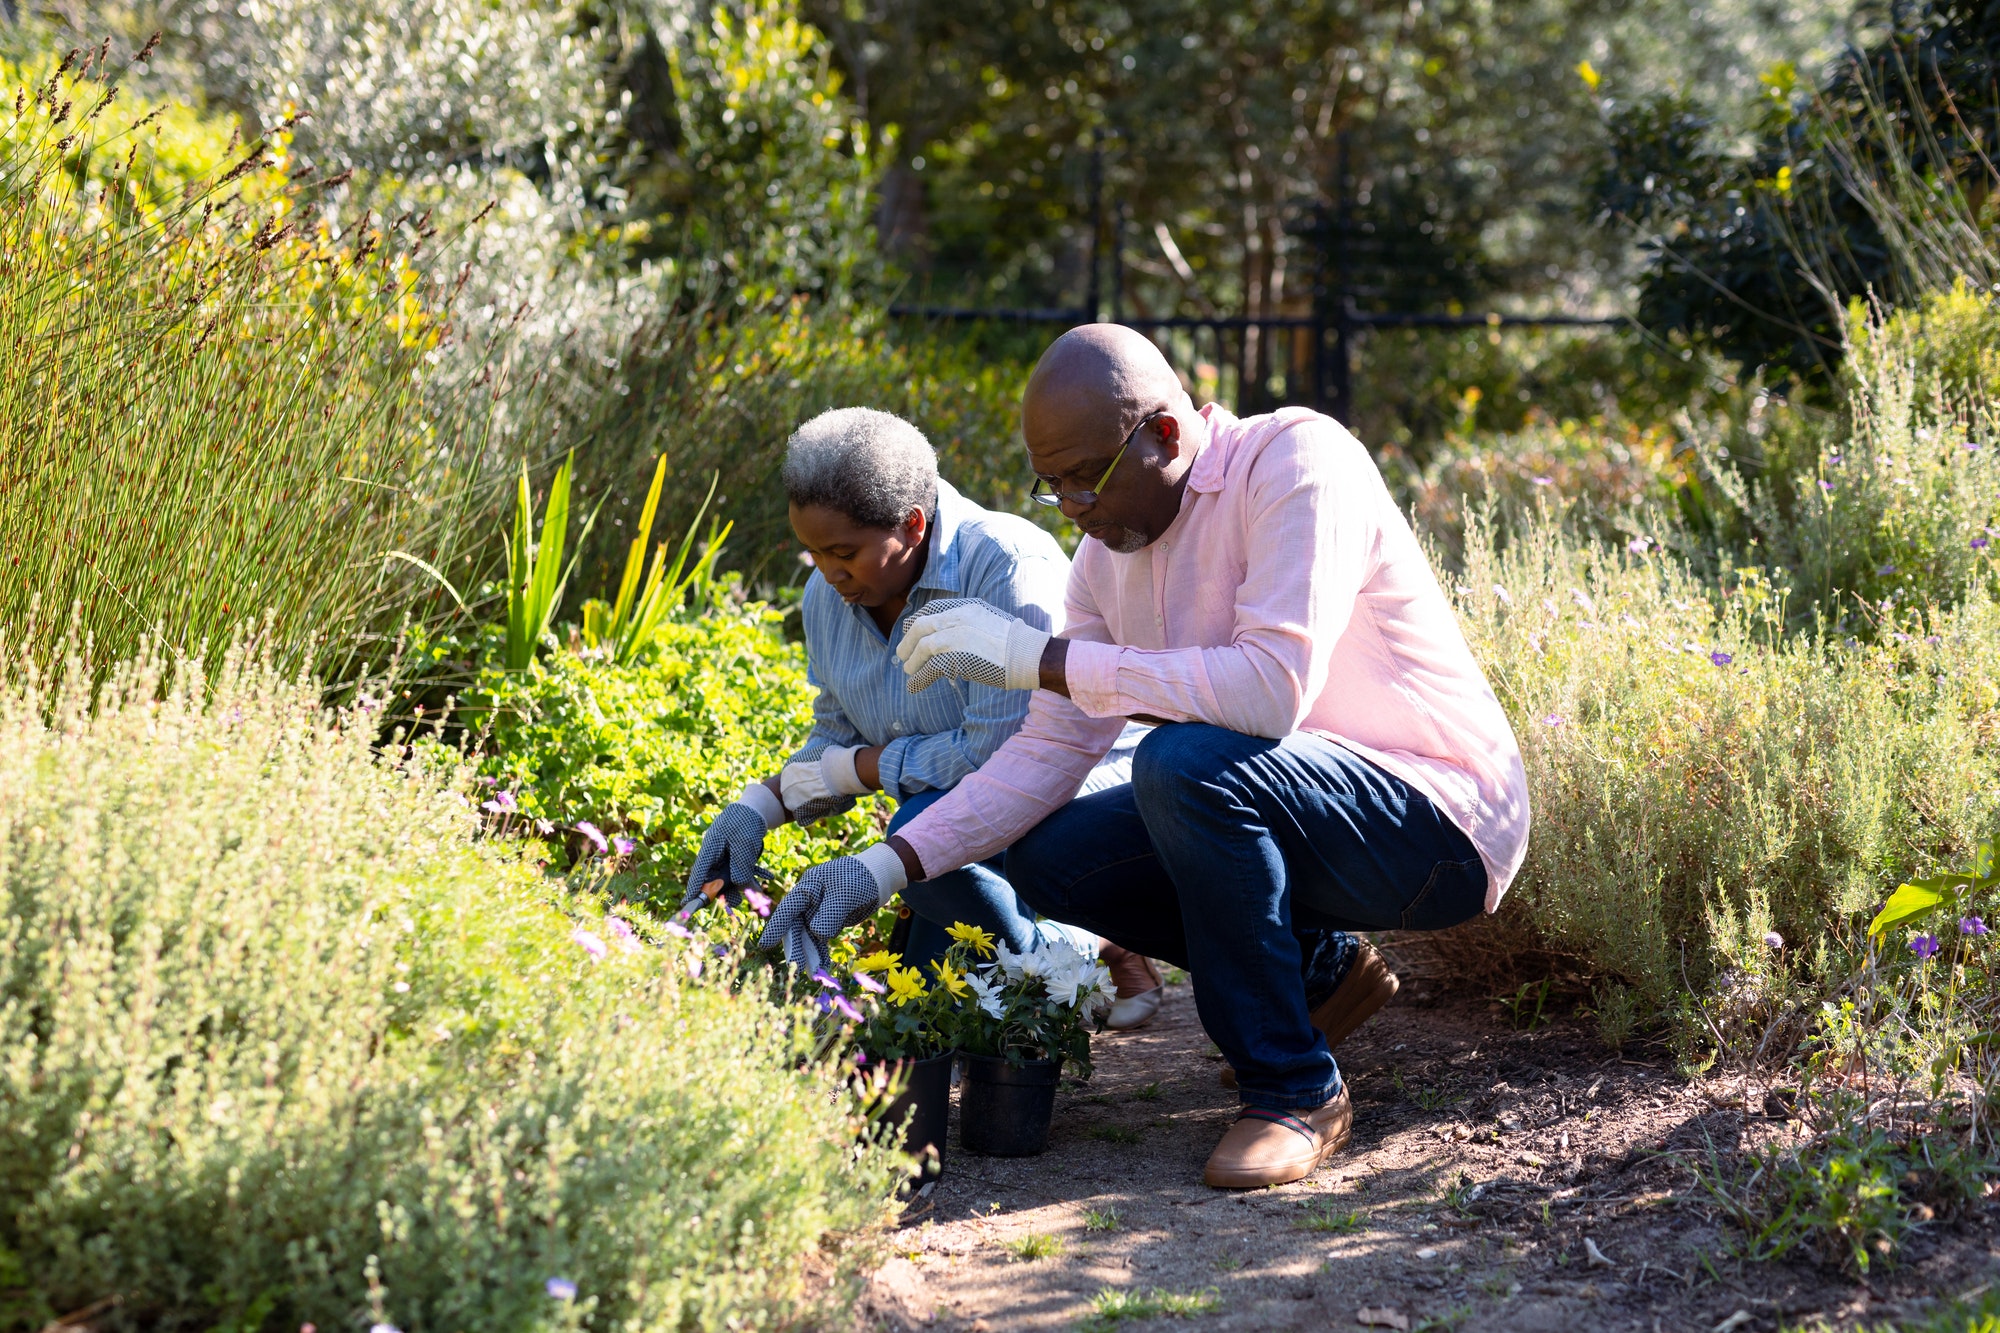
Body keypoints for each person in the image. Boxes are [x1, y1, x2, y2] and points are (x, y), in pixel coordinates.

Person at [761, 328, 1530, 1190]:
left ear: (1164, 435)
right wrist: (882, 866)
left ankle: (1295, 1088)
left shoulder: (1295, 461)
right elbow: (1045, 753)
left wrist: (1038, 657)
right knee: (1044, 850)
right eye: (1052, 487)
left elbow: (1267, 689)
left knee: (1180, 761)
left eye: (1085, 478)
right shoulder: (1103, 562)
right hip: (1311, 815)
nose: (1075, 508)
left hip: (1434, 817)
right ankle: (1320, 975)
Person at [682, 406, 1161, 1028]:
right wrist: (762, 804)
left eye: (843, 552)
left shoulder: (1005, 566)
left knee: (917, 830)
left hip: (1079, 796)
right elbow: (837, 732)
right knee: (936, 1000)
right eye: (814, 553)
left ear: (912, 524)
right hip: (950, 814)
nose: (828, 573)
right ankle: (1080, 953)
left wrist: (859, 770)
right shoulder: (828, 596)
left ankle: (1076, 953)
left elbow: (1005, 757)